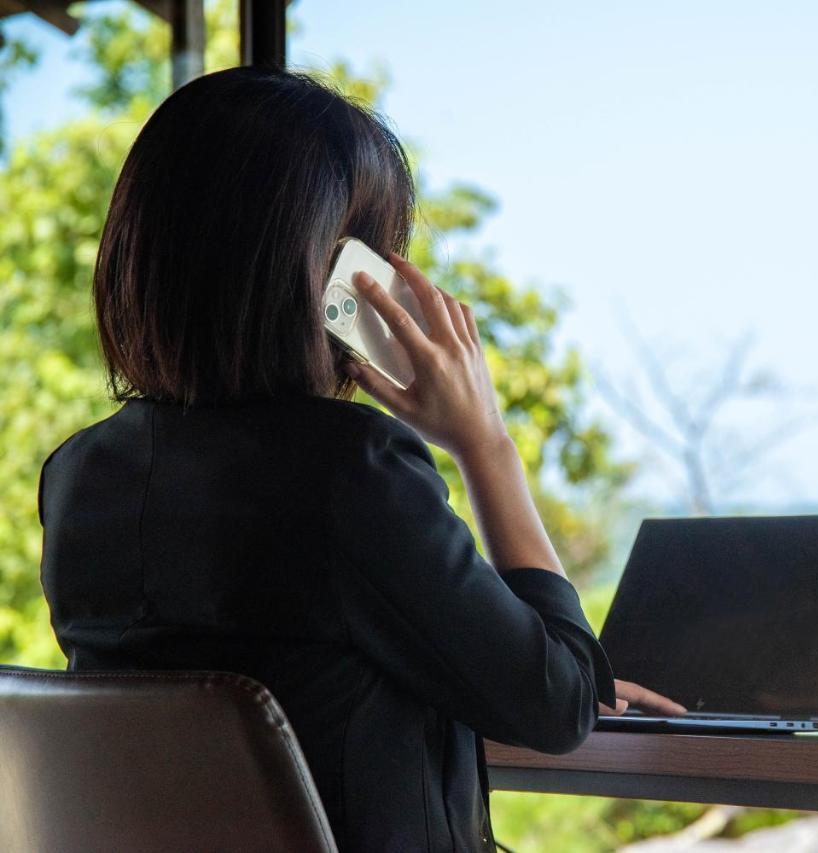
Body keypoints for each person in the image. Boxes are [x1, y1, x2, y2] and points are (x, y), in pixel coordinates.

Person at [37, 65, 683, 852]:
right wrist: (486, 444)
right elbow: (557, 704)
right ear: (335, 277)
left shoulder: (75, 476)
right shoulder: (351, 470)